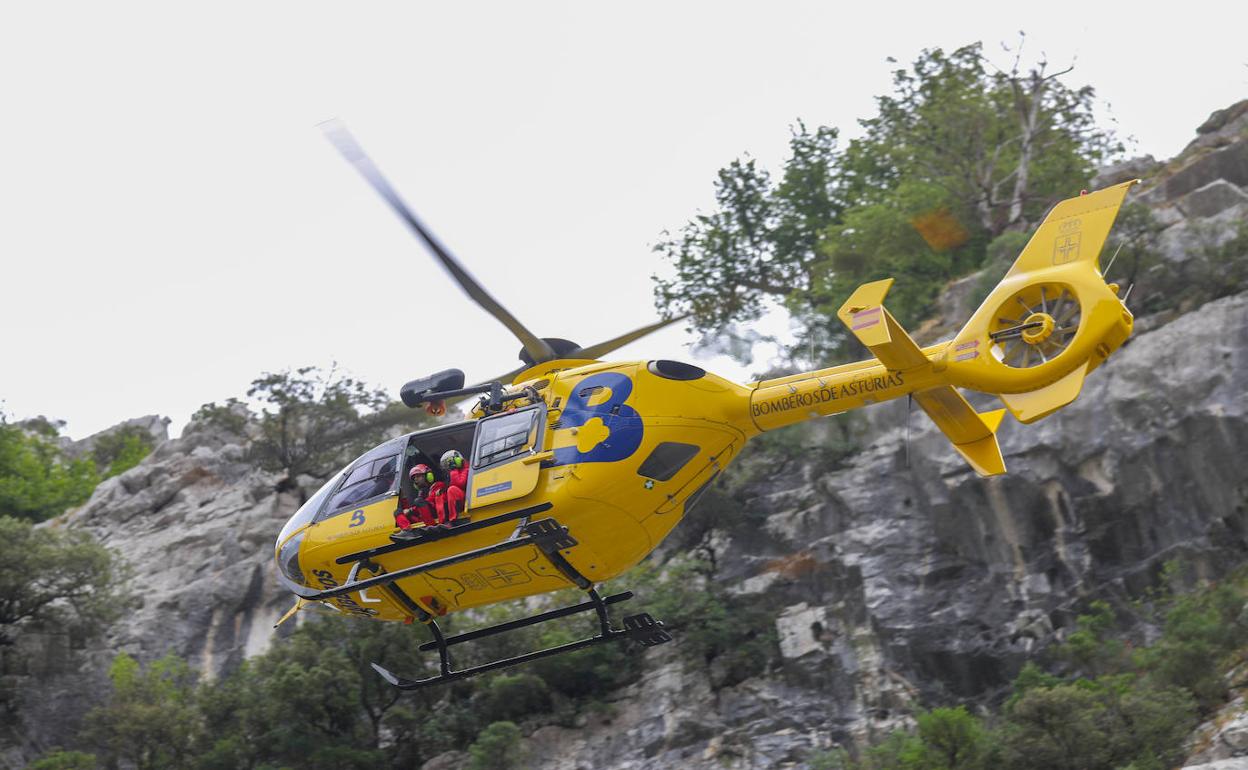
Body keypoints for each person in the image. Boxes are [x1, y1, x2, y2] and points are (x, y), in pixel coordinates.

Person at [429, 449, 469, 526]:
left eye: (450, 463)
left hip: (467, 497)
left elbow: (460, 484)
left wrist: (454, 470)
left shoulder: (466, 469)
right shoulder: (454, 473)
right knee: (440, 494)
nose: (448, 467)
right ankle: (443, 522)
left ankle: (453, 520)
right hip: (459, 497)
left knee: (452, 490)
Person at [396, 464, 438, 529]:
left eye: (418, 476)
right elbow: (415, 510)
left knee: (418, 501)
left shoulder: (438, 486)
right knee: (398, 512)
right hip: (422, 520)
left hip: (434, 518)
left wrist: (410, 510)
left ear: (428, 476)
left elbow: (430, 502)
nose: (415, 479)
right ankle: (407, 530)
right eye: (414, 478)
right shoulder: (421, 493)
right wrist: (403, 498)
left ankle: (431, 527)